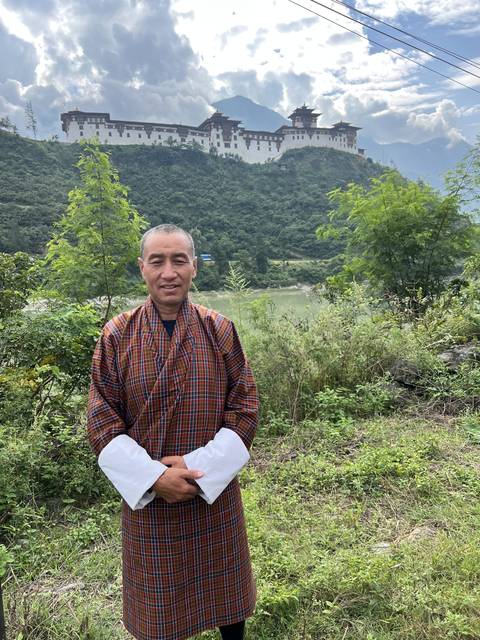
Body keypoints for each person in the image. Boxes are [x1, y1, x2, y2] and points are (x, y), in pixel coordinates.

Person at [87, 224, 258, 640]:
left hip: (210, 490)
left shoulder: (219, 329)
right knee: (159, 610)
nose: (169, 271)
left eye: (179, 260)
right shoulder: (116, 335)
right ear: (142, 268)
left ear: (194, 268)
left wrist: (200, 467)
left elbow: (245, 407)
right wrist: (154, 478)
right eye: (158, 261)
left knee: (227, 597)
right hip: (151, 500)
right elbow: (102, 422)